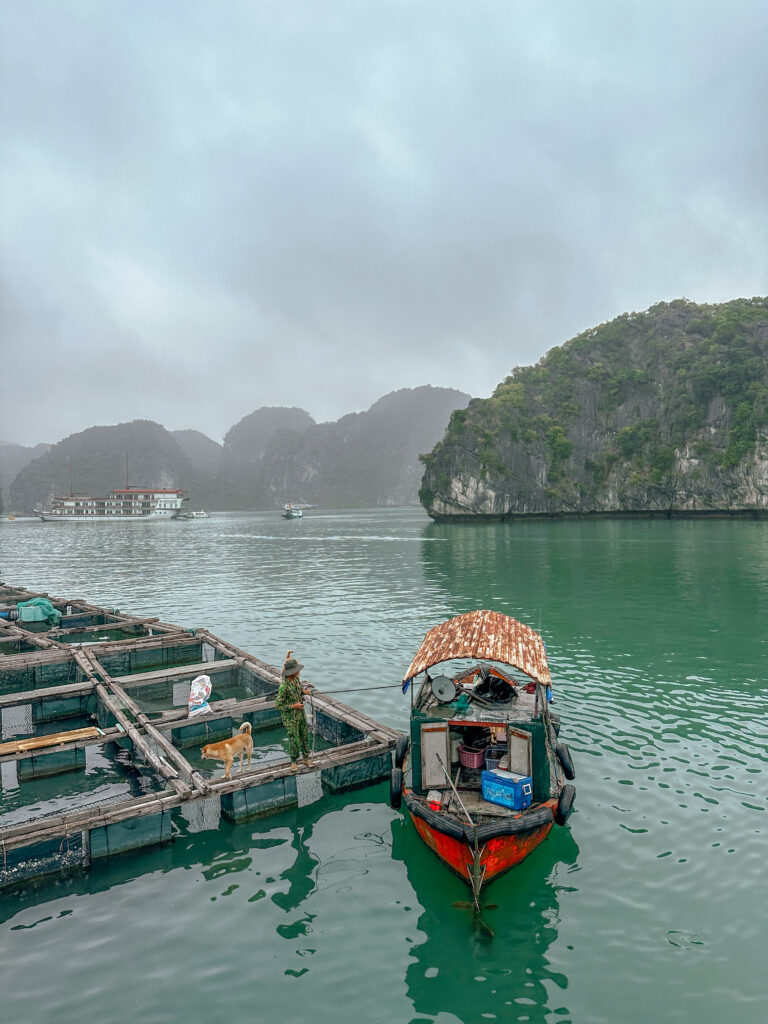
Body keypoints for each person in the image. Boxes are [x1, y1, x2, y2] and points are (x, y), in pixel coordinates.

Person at [276, 651, 313, 771]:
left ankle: (306, 757)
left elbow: (299, 689)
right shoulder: (284, 686)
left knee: (304, 735)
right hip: (290, 718)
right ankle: (293, 761)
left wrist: (305, 691)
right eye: (297, 670)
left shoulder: (296, 680)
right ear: (291, 672)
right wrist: (294, 706)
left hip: (300, 715)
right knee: (294, 739)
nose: (299, 672)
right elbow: (278, 705)